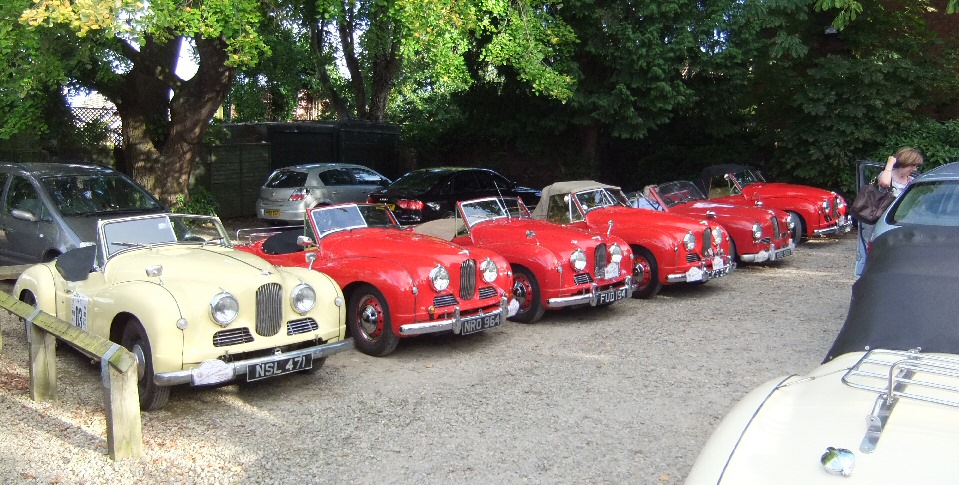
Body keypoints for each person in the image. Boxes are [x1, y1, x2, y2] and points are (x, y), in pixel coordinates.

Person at [855, 147, 924, 276]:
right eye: (913, 166)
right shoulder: (887, 174)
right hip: (881, 221)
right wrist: (889, 164)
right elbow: (884, 183)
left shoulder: (910, 181)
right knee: (876, 254)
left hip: (899, 223)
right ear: (905, 163)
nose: (915, 169)